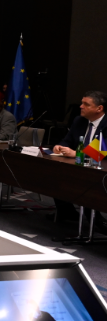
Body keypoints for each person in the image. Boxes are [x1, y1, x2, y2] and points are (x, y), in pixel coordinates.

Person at [52, 90, 107, 227]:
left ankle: (95, 218)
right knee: (53, 173)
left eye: (86, 104)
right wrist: (59, 146)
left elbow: (103, 150)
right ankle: (67, 212)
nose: (81, 106)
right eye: (82, 103)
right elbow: (67, 140)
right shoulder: (79, 120)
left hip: (101, 167)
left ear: (99, 108)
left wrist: (77, 154)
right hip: (78, 164)